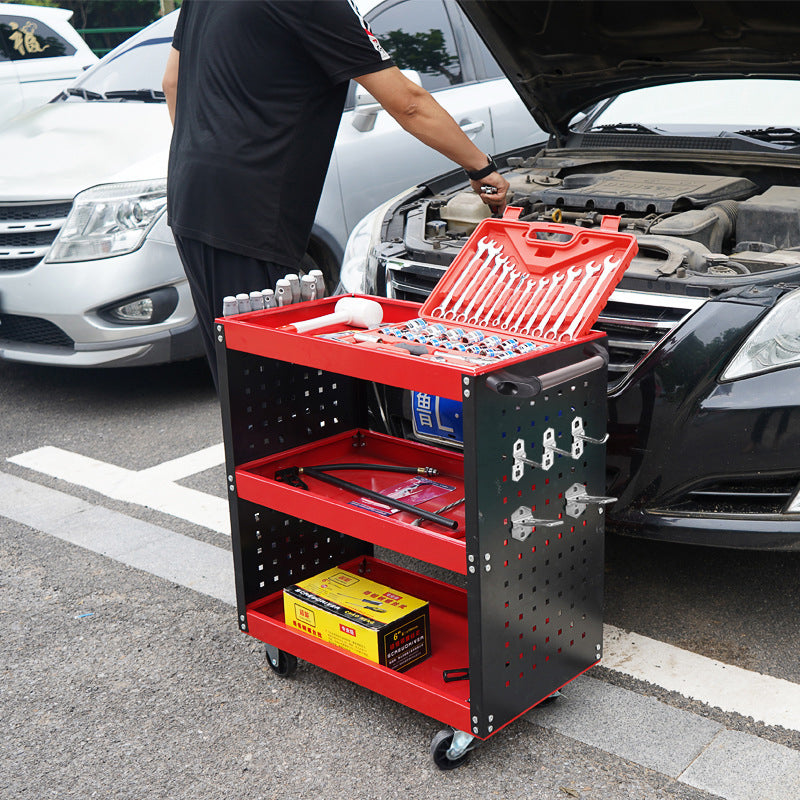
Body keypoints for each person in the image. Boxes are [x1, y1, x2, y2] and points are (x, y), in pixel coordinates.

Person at [162, 0, 509, 391]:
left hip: (191, 194)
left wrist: (208, 155)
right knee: (264, 385)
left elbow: (172, 83)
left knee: (233, 371)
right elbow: (408, 102)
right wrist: (481, 168)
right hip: (249, 213)